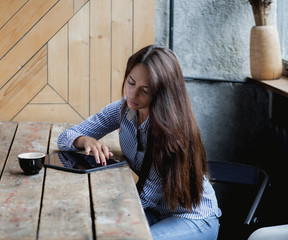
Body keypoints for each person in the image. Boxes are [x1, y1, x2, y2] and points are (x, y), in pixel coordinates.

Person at [57, 44, 221, 240]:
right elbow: (65, 137)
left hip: (193, 217)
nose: (133, 95)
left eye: (145, 90)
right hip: (156, 212)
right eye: (131, 82)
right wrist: (85, 141)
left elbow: (147, 195)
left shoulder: (172, 132)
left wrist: (106, 212)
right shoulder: (122, 110)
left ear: (163, 92)